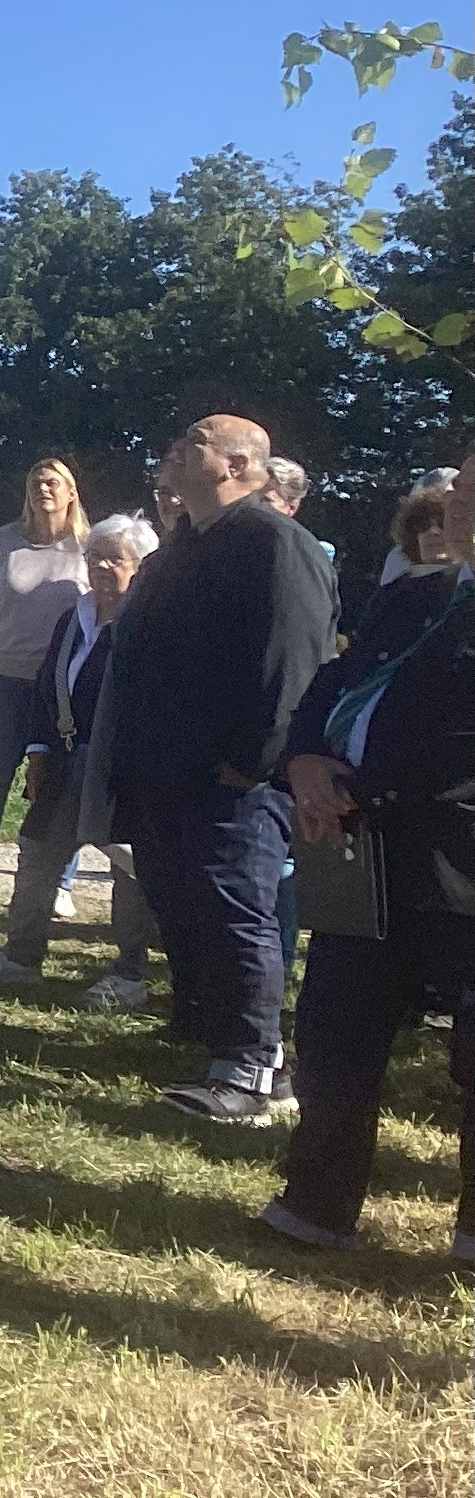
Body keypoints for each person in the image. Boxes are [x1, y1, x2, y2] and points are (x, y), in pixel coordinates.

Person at [269, 449, 473, 1258]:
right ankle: (317, 1205)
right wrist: (307, 759)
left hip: (456, 854)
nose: (451, 496)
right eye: (455, 483)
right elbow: (334, 683)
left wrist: (375, 782)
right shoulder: (414, 595)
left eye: (469, 484)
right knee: (334, 1034)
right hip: (364, 856)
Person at [105, 414, 339, 1122]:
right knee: (181, 902)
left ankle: (254, 1064)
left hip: (232, 778)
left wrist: (254, 762)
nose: (178, 447)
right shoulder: (183, 545)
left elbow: (292, 662)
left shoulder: (275, 544)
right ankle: (208, 1034)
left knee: (236, 911)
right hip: (166, 772)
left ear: (241, 466)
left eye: (197, 442)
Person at [0, 516, 164, 992]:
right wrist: (38, 750)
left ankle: (128, 972)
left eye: (115, 558)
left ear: (141, 565)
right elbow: (46, 689)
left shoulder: (152, 625)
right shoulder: (73, 618)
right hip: (66, 757)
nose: (101, 566)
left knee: (128, 867)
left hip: (122, 768)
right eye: (94, 556)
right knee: (37, 853)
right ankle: (21, 956)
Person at [0, 459, 91, 915]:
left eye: (53, 483)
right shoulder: (2, 541)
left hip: (62, 685)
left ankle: (60, 884)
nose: (43, 489)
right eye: (35, 483)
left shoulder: (88, 546)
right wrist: (4, 643)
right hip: (2, 678)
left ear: (72, 493)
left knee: (58, 784)